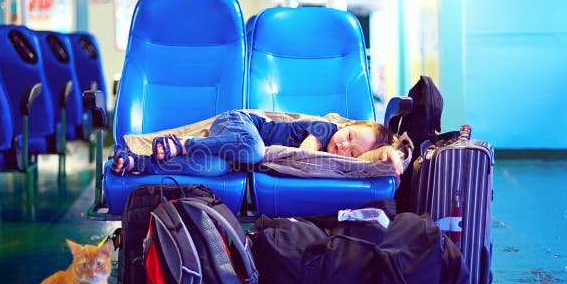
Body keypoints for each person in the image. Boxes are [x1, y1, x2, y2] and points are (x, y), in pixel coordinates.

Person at [110, 109, 404, 177]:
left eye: (352, 153)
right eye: (348, 137)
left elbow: (369, 157)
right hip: (238, 126)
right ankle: (184, 144)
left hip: (228, 153)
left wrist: (385, 154)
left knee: (214, 168)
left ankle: (141, 162)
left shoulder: (342, 149)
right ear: (346, 126)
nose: (342, 148)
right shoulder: (325, 128)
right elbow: (306, 154)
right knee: (254, 150)